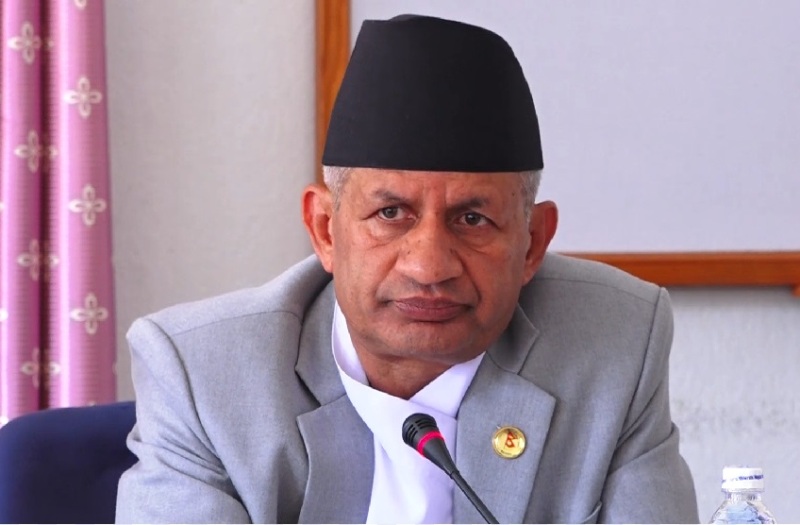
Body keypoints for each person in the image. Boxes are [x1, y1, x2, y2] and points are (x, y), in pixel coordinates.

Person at [116, 14, 699, 524]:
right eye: (390, 214)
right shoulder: (204, 375)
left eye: (472, 219)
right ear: (325, 229)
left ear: (531, 244)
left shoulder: (615, 343)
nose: (429, 266)